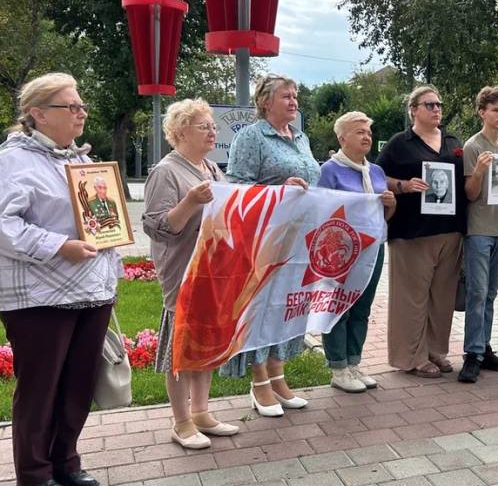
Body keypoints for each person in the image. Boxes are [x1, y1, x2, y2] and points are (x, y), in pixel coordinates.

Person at [0, 74, 119, 486]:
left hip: (90, 290)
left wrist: (109, 274)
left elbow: (101, 223)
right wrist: (58, 246)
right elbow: (3, 225)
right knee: (40, 390)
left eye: (82, 105)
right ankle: (35, 476)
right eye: (71, 106)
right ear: (38, 114)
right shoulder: (12, 161)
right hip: (38, 297)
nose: (81, 112)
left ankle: (66, 463)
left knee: (77, 387)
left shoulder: (81, 160)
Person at [142, 100, 241, 450]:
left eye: (213, 126)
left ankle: (201, 413)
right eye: (203, 126)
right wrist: (190, 202)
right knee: (181, 349)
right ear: (180, 132)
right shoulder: (166, 171)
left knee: (205, 342)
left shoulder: (211, 167)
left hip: (211, 270)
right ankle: (181, 421)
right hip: (183, 271)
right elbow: (156, 227)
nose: (212, 131)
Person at [221, 74, 318, 415]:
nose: (294, 102)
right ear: (265, 102)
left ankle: (279, 376)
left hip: (300, 240)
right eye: (286, 96)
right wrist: (278, 191)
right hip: (265, 240)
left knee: (288, 307)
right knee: (262, 308)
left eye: (295, 96)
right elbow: (236, 186)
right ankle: (259, 380)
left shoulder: (301, 138)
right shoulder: (251, 137)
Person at [376, 85, 466, 377]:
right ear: (413, 110)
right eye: (429, 104)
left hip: (450, 230)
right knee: (411, 298)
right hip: (412, 232)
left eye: (439, 104)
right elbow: (376, 177)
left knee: (442, 298)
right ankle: (411, 356)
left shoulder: (452, 141)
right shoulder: (400, 143)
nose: (436, 109)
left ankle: (435, 351)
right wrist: (403, 186)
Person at [317, 112, 397, 391]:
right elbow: (320, 212)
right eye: (360, 132)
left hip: (373, 248)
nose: (367, 137)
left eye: (369, 132)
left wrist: (391, 205)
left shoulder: (375, 172)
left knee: (362, 307)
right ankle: (337, 367)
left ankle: (354, 363)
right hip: (341, 251)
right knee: (339, 307)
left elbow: (383, 217)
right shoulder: (330, 170)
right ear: (342, 139)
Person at [459, 87, 498, 383]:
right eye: (496, 110)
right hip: (479, 228)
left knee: (491, 293)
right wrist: (480, 171)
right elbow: (470, 194)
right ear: (482, 113)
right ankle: (471, 354)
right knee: (477, 292)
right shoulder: (473, 146)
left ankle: (483, 348)